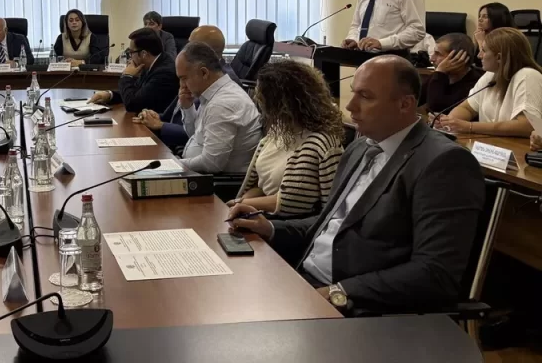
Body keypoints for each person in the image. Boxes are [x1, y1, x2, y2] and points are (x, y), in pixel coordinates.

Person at [228, 56, 484, 314]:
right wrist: (270, 227)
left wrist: (339, 291)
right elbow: (331, 225)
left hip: (361, 306)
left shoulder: (443, 163)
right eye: (353, 93)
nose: (350, 106)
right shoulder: (360, 147)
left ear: (405, 104)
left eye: (365, 96)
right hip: (306, 281)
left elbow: (435, 273)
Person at [229, 61, 344, 216]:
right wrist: (239, 203)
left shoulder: (321, 143)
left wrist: (242, 204)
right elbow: (260, 185)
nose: (256, 98)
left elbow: (292, 202)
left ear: (281, 102)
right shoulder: (278, 132)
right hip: (259, 216)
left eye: (260, 95)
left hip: (290, 225)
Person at [134, 25, 241, 150]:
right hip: (171, 143)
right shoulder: (192, 73)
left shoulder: (220, 81)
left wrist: (161, 125)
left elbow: (200, 134)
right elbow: (172, 114)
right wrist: (155, 117)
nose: (184, 49)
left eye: (189, 46)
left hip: (182, 148)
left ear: (204, 51)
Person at [436, 27, 542, 138]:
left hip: (518, 147)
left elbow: (528, 125)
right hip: (491, 145)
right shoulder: (491, 75)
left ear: (499, 57)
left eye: (484, 50)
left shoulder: (528, 76)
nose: (479, 55)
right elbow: (467, 108)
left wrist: (470, 126)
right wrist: (448, 123)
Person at [175, 42, 262, 174]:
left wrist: (175, 163)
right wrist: (188, 108)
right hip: (200, 173)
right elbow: (196, 135)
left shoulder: (222, 104)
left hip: (217, 181)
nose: (182, 85)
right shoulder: (213, 93)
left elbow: (212, 163)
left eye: (184, 78)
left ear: (204, 73)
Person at [88, 28, 178, 113]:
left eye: (131, 52)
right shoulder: (151, 64)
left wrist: (126, 76)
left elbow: (132, 104)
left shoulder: (164, 73)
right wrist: (109, 95)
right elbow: (137, 92)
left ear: (143, 54)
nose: (130, 57)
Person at [420, 33, 483, 114]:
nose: (431, 59)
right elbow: (415, 99)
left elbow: (436, 109)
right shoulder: (440, 75)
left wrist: (440, 73)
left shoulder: (475, 83)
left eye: (438, 54)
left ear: (458, 58)